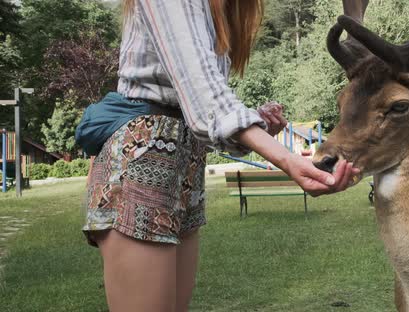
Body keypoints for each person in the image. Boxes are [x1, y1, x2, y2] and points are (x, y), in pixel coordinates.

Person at [81, 0, 359, 311]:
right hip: (142, 157)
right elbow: (204, 95)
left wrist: (256, 125)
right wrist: (287, 159)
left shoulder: (220, 10)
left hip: (183, 161)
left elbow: (199, 110)